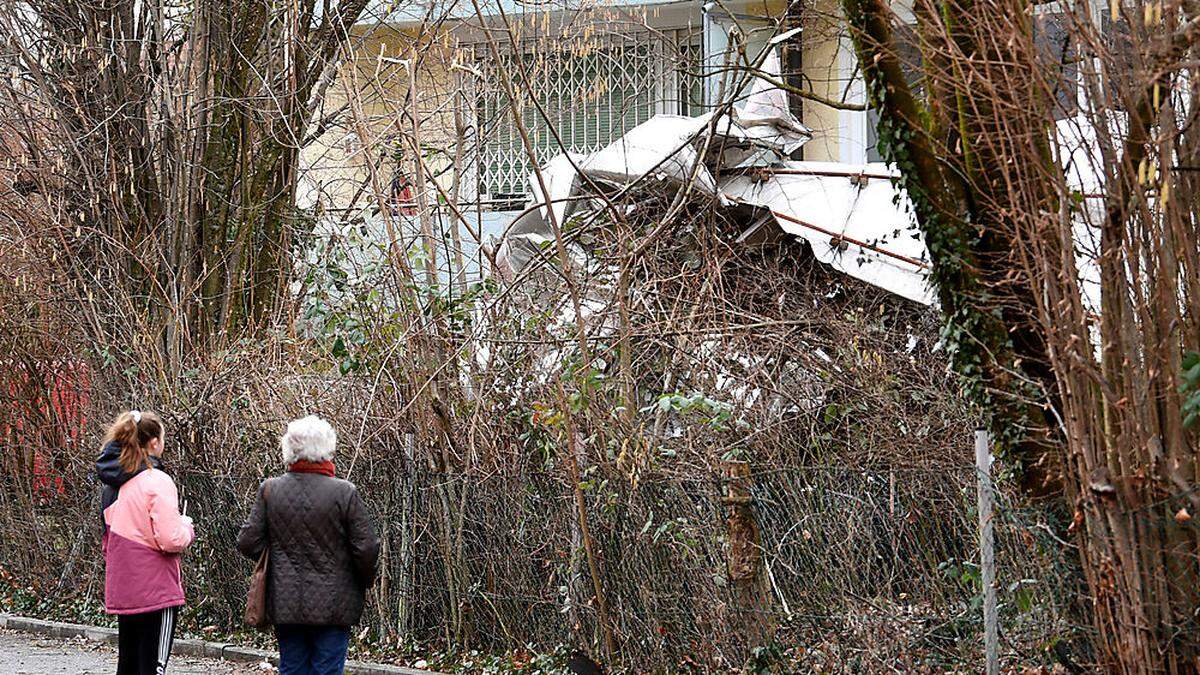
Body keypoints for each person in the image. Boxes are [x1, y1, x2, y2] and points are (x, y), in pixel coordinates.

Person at [237, 415, 381, 675]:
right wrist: (361, 578)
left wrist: (278, 556)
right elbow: (366, 548)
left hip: (286, 600)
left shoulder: (270, 490)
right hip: (335, 602)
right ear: (327, 448)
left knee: (292, 667)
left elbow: (247, 542)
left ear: (289, 449)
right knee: (327, 670)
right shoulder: (344, 492)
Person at [96, 410, 195, 675]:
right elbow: (170, 539)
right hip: (155, 589)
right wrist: (186, 526)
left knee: (128, 664)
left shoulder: (112, 485)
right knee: (154, 665)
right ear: (153, 442)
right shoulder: (157, 481)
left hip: (123, 586)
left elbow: (108, 539)